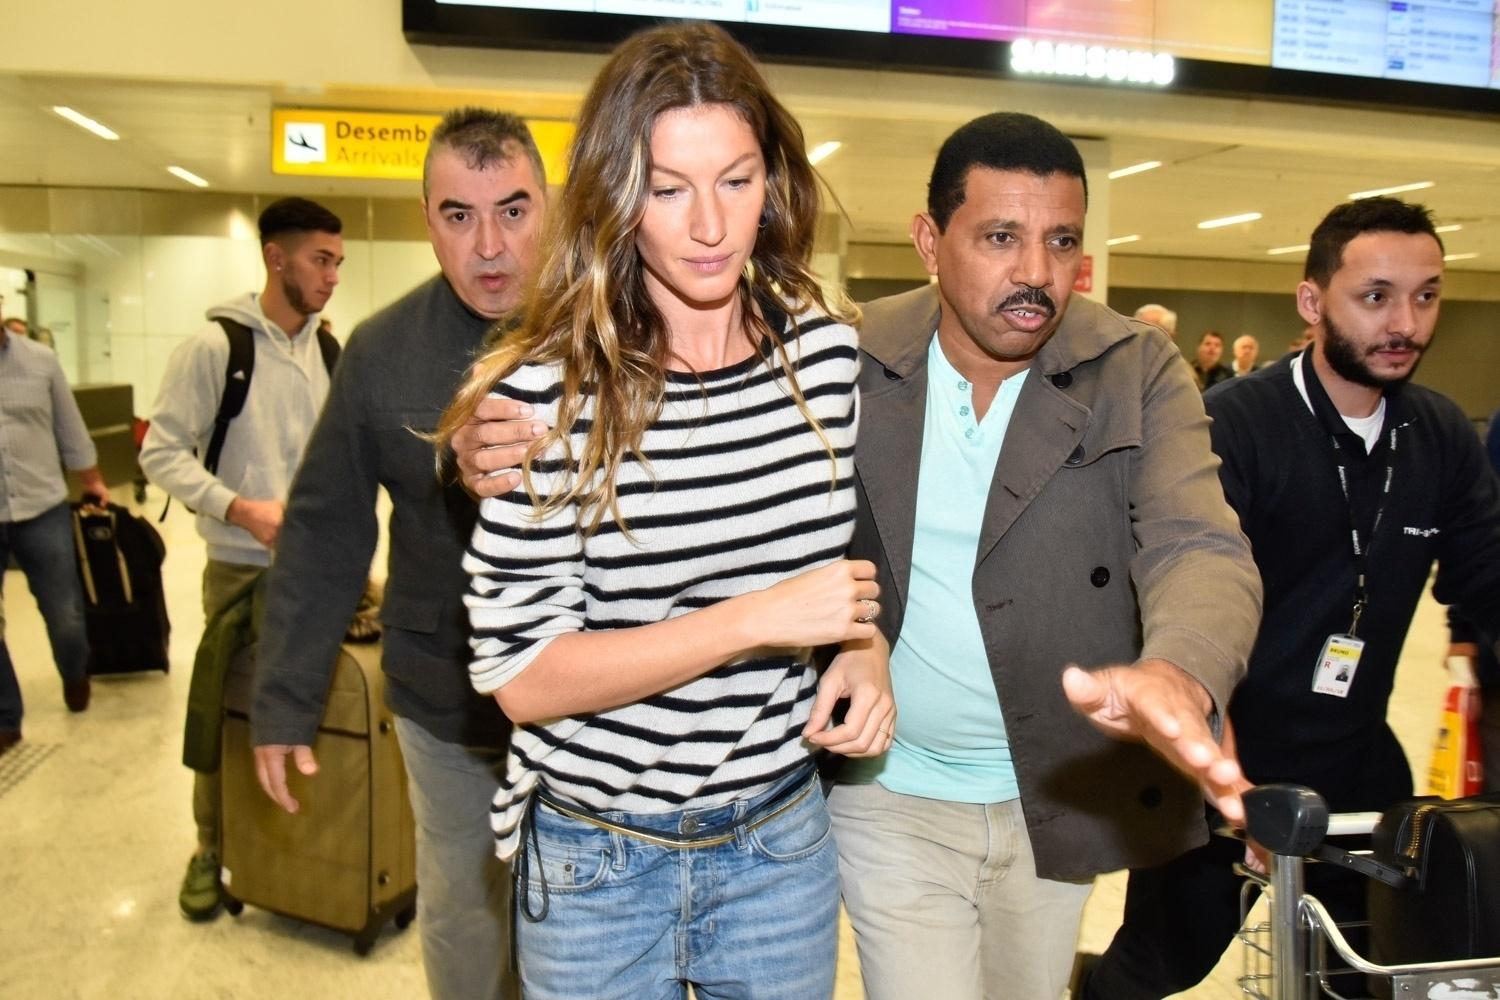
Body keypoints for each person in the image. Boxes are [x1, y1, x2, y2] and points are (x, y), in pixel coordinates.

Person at [455, 110, 1259, 1000]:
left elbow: (1199, 542)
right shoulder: (847, 354)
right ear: (929, 240)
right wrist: (483, 445)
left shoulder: (1134, 367)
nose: (1035, 272)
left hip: (1052, 792)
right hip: (888, 788)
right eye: (1000, 237)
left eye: (1060, 241)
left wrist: (1181, 671)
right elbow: (697, 446)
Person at [437, 24, 893, 1000]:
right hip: (599, 859)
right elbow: (521, 675)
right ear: (615, 198)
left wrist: (861, 644)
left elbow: (840, 544)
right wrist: (755, 621)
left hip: (778, 844)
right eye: (669, 188)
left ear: (771, 178)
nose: (710, 226)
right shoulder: (539, 394)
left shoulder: (822, 354)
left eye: (734, 179)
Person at [1080, 197, 1500, 1000]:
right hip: (1224, 752)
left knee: (1369, 970)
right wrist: (1220, 772)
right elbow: (1178, 594)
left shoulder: (1440, 436)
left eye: (1426, 295)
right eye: (1374, 296)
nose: (1404, 321)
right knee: (1160, 962)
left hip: (1357, 759)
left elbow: (1488, 578)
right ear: (1312, 303)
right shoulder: (1233, 426)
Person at [249, 108, 546, 1000]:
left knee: (584, 916)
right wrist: (287, 698)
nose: (488, 245)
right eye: (459, 215)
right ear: (428, 220)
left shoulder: (616, 335)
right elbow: (324, 531)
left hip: (599, 708)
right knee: (464, 909)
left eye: (514, 210)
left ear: (555, 209)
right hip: (444, 702)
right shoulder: (379, 353)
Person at [140, 196, 343, 922]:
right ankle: (208, 846)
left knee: (319, 710)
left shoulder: (327, 350)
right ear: (275, 257)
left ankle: (319, 845)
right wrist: (241, 508)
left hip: (318, 571)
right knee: (226, 712)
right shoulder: (217, 348)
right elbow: (159, 451)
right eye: (320, 260)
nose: (331, 277)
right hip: (239, 569)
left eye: (339, 263)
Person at [0, 316, 107, 753]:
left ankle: (74, 672)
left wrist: (92, 478)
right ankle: (6, 717)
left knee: (64, 612)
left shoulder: (40, 360)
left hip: (41, 504)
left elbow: (70, 426)